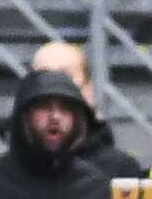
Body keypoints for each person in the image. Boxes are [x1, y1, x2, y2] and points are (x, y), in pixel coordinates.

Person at [0, 70, 112, 199]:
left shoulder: (95, 188)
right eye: (44, 107)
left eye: (65, 109)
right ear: (24, 116)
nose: (55, 117)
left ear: (77, 119)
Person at [29, 40, 140, 180]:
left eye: (66, 78)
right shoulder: (4, 174)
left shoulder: (121, 171)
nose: (55, 88)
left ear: (89, 91)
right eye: (44, 78)